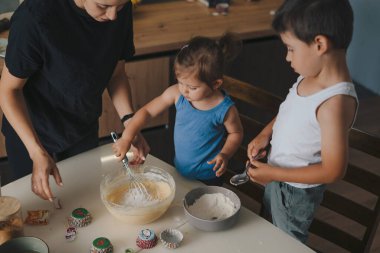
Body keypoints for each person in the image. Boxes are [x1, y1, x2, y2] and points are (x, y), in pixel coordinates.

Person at [0, 0, 150, 202]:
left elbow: (116, 74)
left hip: (81, 128)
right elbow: (8, 91)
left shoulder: (117, 7)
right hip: (32, 134)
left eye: (120, 7)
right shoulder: (34, 17)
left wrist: (129, 121)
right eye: (103, 6)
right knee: (37, 212)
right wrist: (36, 152)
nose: (114, 16)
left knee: (84, 206)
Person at [246, 0, 358, 243]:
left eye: (291, 48)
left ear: (319, 44)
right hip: (277, 176)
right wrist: (266, 133)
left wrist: (274, 174)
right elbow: (291, 110)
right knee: (268, 231)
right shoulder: (310, 76)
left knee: (286, 243)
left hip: (294, 192)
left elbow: (334, 170)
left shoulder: (334, 104)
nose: (287, 57)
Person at [112, 34, 244, 186]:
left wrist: (225, 154)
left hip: (209, 176)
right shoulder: (177, 94)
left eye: (192, 87)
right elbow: (147, 112)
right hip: (179, 169)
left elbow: (236, 133)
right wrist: (127, 137)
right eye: (181, 82)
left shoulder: (224, 109)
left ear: (215, 84)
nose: (185, 91)